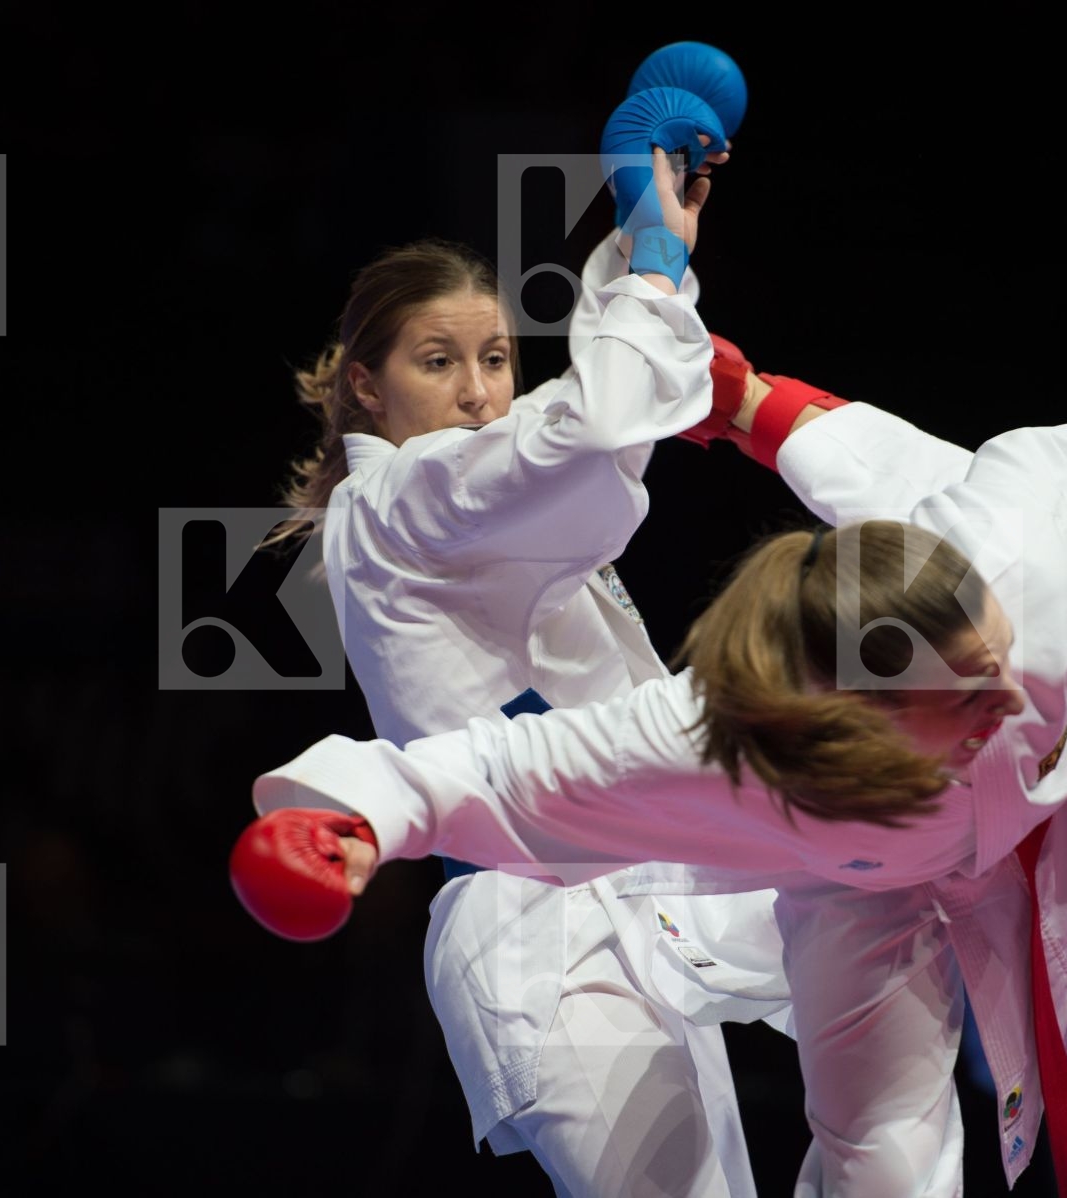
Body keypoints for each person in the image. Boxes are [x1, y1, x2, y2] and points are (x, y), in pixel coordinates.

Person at [254, 394, 1067, 1194]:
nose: (1009, 694)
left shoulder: (1032, 566)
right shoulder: (727, 747)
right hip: (856, 887)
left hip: (1020, 831)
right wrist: (347, 820)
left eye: (997, 658)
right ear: (852, 713)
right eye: (967, 691)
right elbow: (500, 767)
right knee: (886, 1159)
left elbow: (1050, 457)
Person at [253, 98, 801, 1196]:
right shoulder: (400, 496)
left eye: (496, 358)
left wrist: (649, 250)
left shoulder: (480, 510)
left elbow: (595, 432)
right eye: (438, 362)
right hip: (544, 930)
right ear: (366, 385)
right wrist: (650, 262)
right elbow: (592, 429)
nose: (477, 392)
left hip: (647, 902)